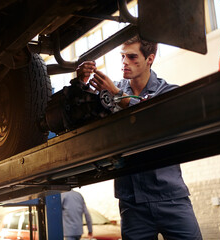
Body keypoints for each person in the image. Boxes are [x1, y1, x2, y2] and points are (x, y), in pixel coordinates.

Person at [76, 34, 202, 240]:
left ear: (149, 59)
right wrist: (81, 83)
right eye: (123, 56)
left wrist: (118, 97)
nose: (125, 62)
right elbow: (84, 114)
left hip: (170, 198)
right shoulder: (111, 92)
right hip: (132, 204)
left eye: (132, 57)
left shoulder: (167, 92)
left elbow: (154, 118)